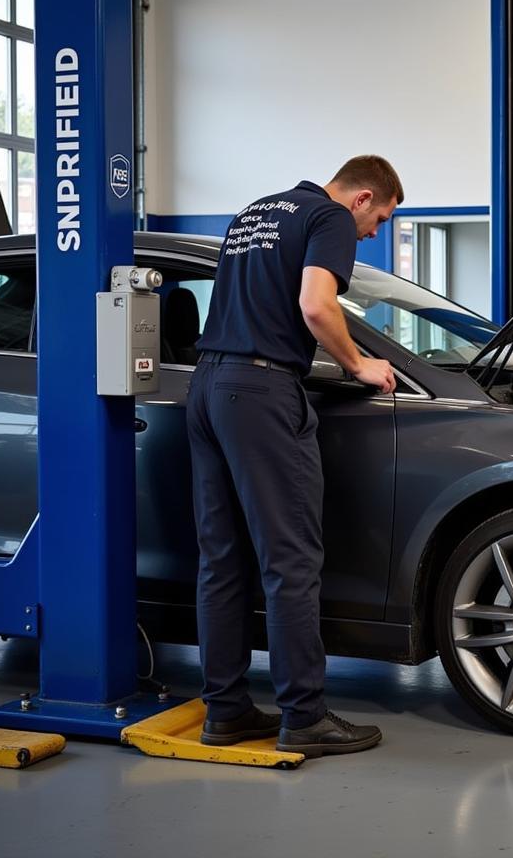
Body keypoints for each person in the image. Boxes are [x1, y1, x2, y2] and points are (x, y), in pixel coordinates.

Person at [187, 155, 403, 756]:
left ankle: (225, 711)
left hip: (207, 387)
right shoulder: (328, 218)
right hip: (260, 391)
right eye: (379, 219)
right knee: (290, 560)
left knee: (222, 561)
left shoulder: (255, 211)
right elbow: (315, 305)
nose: (373, 233)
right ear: (360, 199)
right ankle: (304, 715)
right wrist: (359, 364)